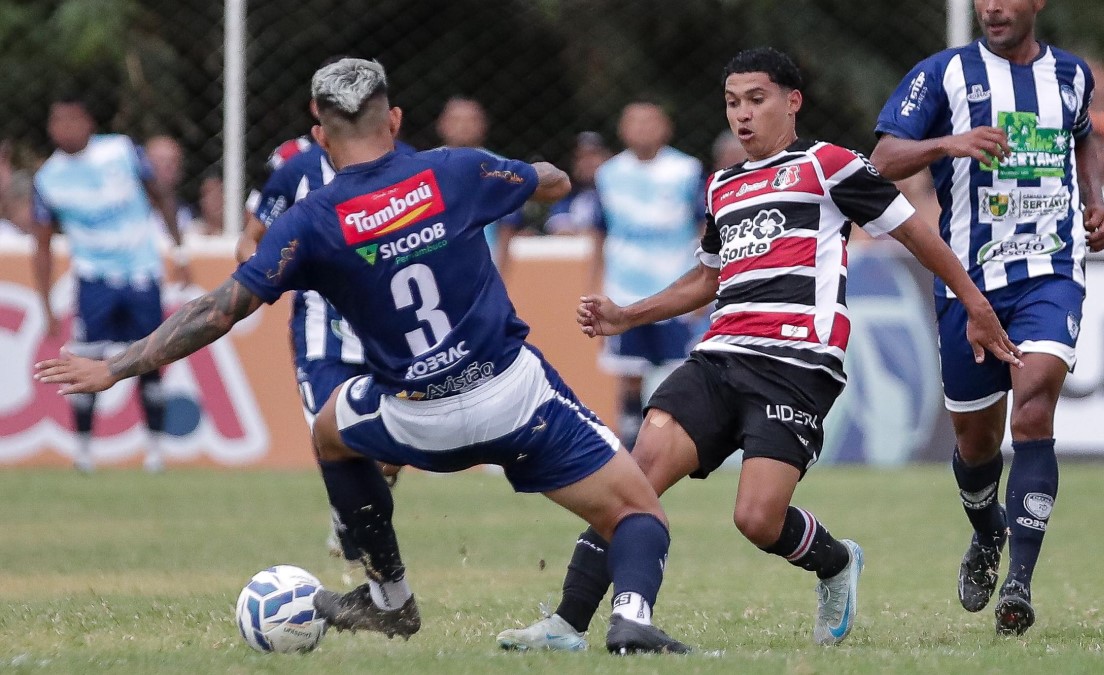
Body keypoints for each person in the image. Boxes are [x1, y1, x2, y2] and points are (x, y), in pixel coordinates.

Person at [36, 58, 689, 655]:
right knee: (637, 511)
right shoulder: (454, 171)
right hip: (512, 398)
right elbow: (547, 180)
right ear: (396, 118)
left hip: (413, 418)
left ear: (319, 135)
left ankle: (389, 597)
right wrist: (530, 178)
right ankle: (629, 614)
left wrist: (119, 364)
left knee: (329, 430)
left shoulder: (312, 221)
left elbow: (219, 309)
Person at [496, 46, 1019, 651]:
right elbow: (707, 279)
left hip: (797, 364)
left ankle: (835, 564)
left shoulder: (830, 166)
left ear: (792, 102)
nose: (741, 116)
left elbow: (915, 232)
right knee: (632, 479)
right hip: (719, 355)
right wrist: (625, 314)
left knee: (757, 519)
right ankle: (568, 623)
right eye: (732, 103)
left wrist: (974, 304)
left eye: (756, 100)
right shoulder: (724, 185)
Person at [871, 0, 1104, 636]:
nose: (992, 7)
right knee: (975, 445)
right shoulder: (944, 73)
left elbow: (1083, 134)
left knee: (1034, 407)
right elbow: (883, 159)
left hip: (1052, 272)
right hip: (969, 285)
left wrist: (1095, 201)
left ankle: (1020, 585)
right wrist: (948, 143)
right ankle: (986, 534)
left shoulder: (1072, 75)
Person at [235, 87, 417, 568]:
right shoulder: (297, 171)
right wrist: (263, 274)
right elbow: (250, 238)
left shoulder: (415, 169)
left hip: (396, 335)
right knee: (332, 434)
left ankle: (353, 512)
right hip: (324, 336)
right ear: (320, 123)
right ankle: (371, 555)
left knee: (390, 453)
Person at [24, 92, 191, 474]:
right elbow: (43, 244)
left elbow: (160, 196)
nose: (62, 129)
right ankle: (83, 451)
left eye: (70, 119)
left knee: (150, 357)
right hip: (94, 281)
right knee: (86, 361)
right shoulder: (48, 178)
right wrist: (46, 304)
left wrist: (179, 253)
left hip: (141, 275)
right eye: (56, 122)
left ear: (88, 123)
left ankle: (155, 451)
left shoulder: (120, 152)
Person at [592, 98, 706, 448]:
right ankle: (629, 443)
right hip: (624, 289)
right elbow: (599, 232)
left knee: (680, 371)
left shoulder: (687, 169)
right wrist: (596, 283)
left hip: (677, 288)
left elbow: (705, 226)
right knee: (629, 374)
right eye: (635, 122)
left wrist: (704, 283)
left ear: (666, 127)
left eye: (650, 121)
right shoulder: (607, 174)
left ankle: (680, 444)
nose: (642, 129)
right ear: (623, 129)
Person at [435, 96, 523, 274]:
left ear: (484, 126)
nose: (464, 126)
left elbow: (508, 227)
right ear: (441, 124)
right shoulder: (421, 167)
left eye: (471, 120)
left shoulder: (502, 168)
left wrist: (501, 274)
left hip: (483, 267)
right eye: (456, 120)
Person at [543, 132, 610, 236]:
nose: (587, 163)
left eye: (593, 155)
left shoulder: (617, 194)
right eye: (580, 157)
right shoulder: (567, 194)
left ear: (608, 157)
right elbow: (560, 228)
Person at [144, 135, 198, 238]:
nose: (166, 167)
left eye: (172, 161)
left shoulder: (188, 215)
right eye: (160, 160)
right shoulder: (128, 212)